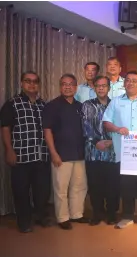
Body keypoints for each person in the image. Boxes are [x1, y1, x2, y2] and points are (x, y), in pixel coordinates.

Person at [103, 71, 137, 229]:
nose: (131, 83)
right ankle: (127, 216)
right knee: (127, 186)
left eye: (134, 81)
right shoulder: (116, 102)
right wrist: (117, 128)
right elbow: (106, 122)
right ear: (124, 83)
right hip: (124, 152)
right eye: (128, 80)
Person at [0, 71, 51, 233]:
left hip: (41, 156)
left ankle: (41, 216)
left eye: (35, 81)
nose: (32, 84)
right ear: (22, 83)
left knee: (42, 191)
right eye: (28, 81)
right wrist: (9, 150)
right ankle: (24, 222)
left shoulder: (43, 105)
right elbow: (6, 128)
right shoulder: (12, 103)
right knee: (21, 191)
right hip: (21, 156)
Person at [43, 74, 88, 230]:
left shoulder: (80, 106)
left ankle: (77, 214)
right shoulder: (52, 106)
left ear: (76, 87)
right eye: (64, 84)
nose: (67, 87)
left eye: (71, 84)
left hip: (79, 153)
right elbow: (47, 130)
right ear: (60, 86)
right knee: (60, 189)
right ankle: (63, 218)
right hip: (61, 154)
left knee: (79, 186)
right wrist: (53, 153)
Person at [82, 75, 119, 226]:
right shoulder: (87, 105)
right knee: (95, 185)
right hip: (93, 152)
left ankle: (111, 214)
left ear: (109, 88)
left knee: (112, 185)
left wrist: (112, 141)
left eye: (104, 85)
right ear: (94, 88)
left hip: (112, 153)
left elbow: (120, 125)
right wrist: (96, 142)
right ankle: (97, 213)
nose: (101, 88)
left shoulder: (116, 105)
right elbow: (85, 126)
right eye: (98, 86)